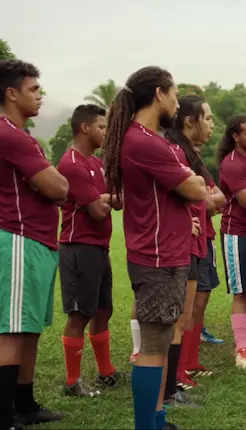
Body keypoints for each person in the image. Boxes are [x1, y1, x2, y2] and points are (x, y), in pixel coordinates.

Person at [103, 66, 209, 430]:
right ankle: (145, 425)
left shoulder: (153, 139)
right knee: (152, 344)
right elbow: (197, 190)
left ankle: (157, 418)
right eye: (175, 92)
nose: (178, 101)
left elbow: (192, 188)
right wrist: (191, 184)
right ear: (160, 94)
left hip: (169, 251)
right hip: (157, 256)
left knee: (162, 339)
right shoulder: (143, 142)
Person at [0, 59, 69, 429]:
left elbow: (53, 186)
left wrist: (46, 183)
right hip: (17, 239)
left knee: (27, 327)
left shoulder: (21, 136)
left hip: (37, 241)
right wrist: (49, 183)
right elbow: (59, 187)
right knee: (11, 330)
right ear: (11, 93)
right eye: (33, 90)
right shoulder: (9, 134)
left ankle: (23, 405)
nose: (39, 97)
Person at [57, 104, 125, 398]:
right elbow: (98, 211)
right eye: (101, 127)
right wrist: (107, 197)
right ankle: (72, 381)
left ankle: (105, 372)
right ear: (84, 128)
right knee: (79, 313)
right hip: (78, 247)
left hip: (99, 247)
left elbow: (118, 201)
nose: (106, 132)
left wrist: (107, 196)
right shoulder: (72, 164)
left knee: (102, 310)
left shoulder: (97, 163)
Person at [164, 95, 225, 403]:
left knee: (185, 316)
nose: (213, 125)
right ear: (190, 122)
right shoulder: (174, 152)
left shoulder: (190, 155)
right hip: (180, 245)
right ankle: (170, 386)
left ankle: (174, 382)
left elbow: (218, 198)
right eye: (209, 118)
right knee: (176, 318)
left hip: (197, 242)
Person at [217, 115, 246, 369]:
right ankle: (241, 348)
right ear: (235, 136)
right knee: (242, 291)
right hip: (237, 232)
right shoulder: (233, 163)